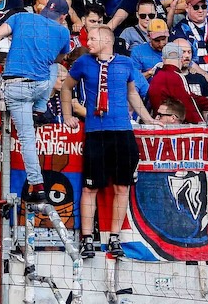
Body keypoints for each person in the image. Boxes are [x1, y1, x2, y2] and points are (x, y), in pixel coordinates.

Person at [61, 24, 157, 259]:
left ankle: (115, 237)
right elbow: (66, 87)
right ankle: (86, 239)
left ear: (106, 41)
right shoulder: (83, 62)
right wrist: (67, 115)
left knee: (122, 186)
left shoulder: (125, 63)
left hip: (122, 131)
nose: (88, 43)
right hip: (96, 132)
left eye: (92, 39)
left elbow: (132, 93)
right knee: (90, 187)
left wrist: (148, 118)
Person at [0, 0, 73, 202]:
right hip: (41, 87)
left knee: (27, 139)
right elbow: (59, 59)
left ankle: (38, 187)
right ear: (63, 17)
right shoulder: (63, 32)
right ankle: (40, 109)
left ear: (44, 9)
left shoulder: (21, 17)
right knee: (52, 67)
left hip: (16, 88)